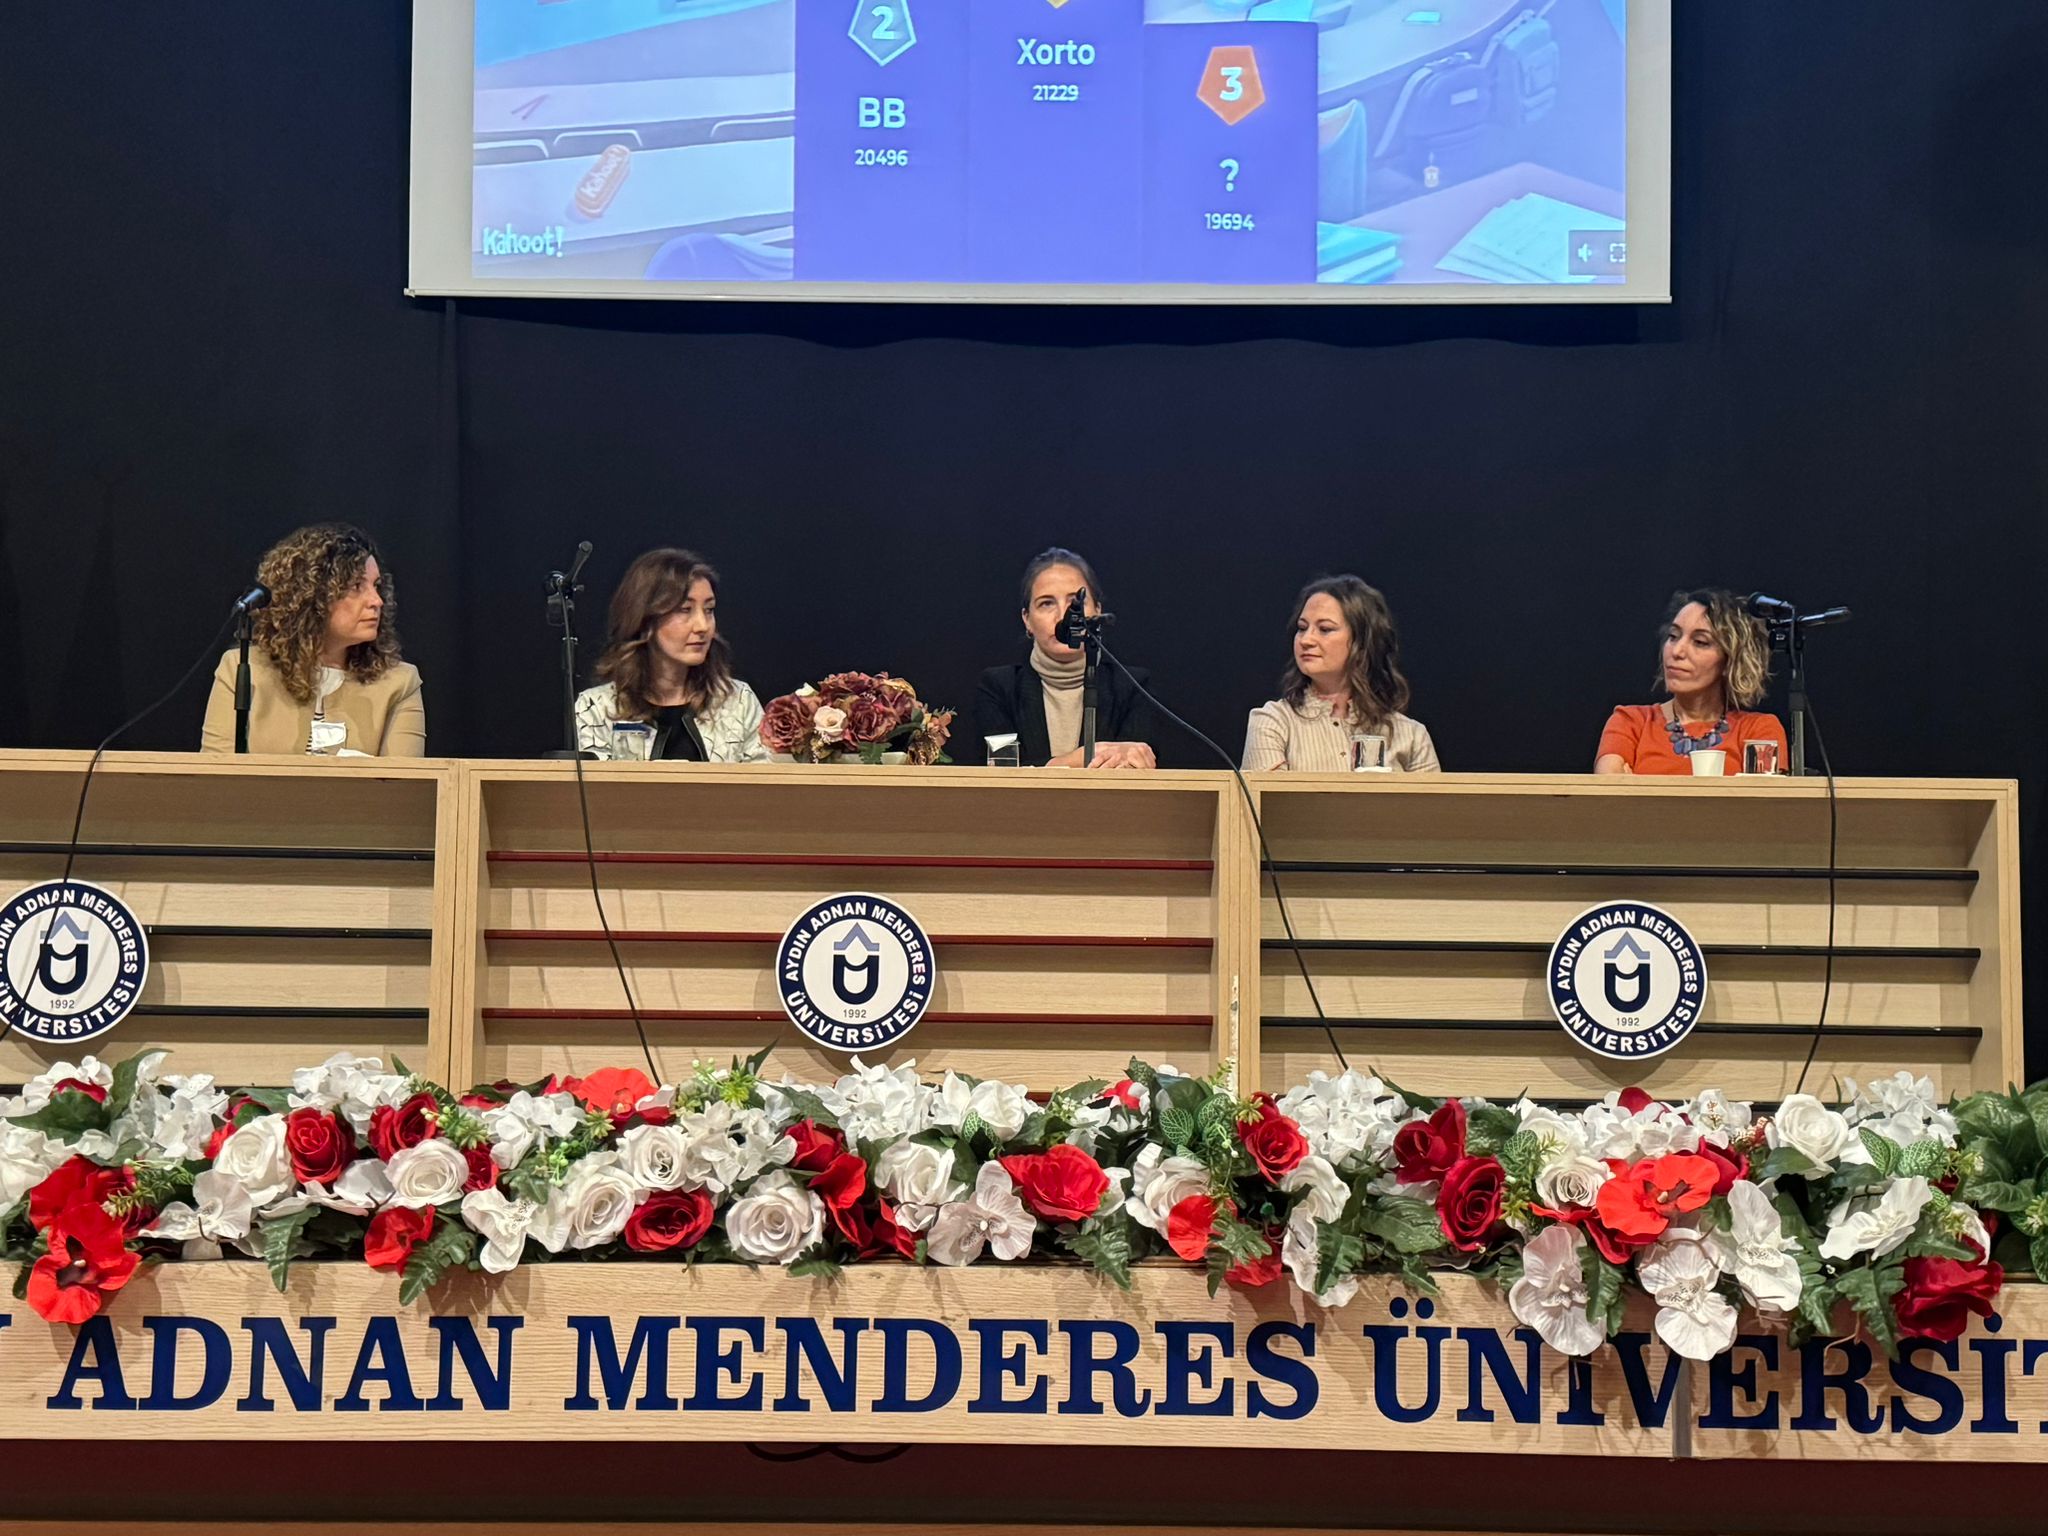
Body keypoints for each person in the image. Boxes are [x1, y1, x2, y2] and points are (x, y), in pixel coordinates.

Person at [200, 524, 425, 756]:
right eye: (357, 586)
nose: (377, 601)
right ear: (311, 596)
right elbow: (213, 773)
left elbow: (404, 778)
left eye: (376, 586)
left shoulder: (400, 683)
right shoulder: (243, 669)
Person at [573, 548, 768, 761]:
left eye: (709, 610)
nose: (702, 626)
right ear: (645, 618)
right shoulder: (597, 708)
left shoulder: (738, 701)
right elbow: (593, 783)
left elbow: (766, 780)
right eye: (685, 610)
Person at [971, 548, 1157, 768]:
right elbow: (1003, 771)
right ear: (1027, 619)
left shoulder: (1134, 687)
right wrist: (1073, 762)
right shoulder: (998, 687)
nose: (1063, 617)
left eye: (1076, 603)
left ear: (1097, 611)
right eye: (1046, 603)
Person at [1242, 575, 1440, 772]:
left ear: (1362, 642)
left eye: (1325, 629)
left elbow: (1432, 795)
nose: (1306, 640)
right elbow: (1264, 794)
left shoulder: (1412, 736)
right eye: (1302, 628)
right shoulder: (1272, 722)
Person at [1595, 588, 1789, 774]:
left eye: (1700, 642)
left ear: (1731, 660)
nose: (1677, 651)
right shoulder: (1630, 722)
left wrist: (1640, 787)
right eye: (1673, 636)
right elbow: (1611, 791)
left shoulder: (1759, 730)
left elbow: (1764, 798)